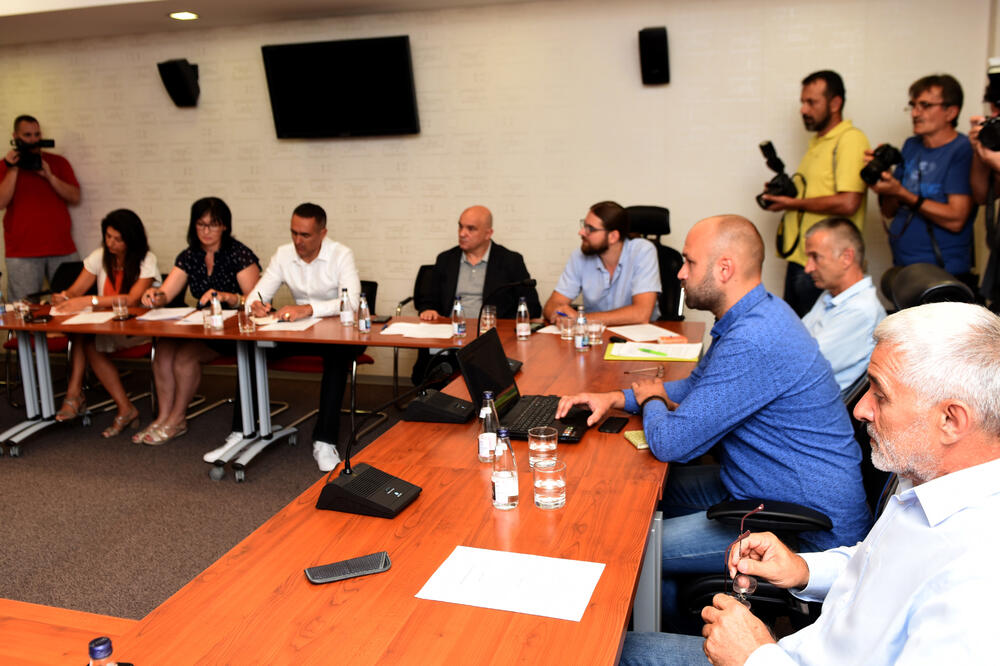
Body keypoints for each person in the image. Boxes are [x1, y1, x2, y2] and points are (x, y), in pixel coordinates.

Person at [620, 302, 1000, 665]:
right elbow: (879, 567)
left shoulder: (978, 583)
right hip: (791, 651)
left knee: (601, 651)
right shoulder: (928, 481)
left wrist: (755, 657)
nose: (860, 409)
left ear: (951, 421)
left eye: (881, 395)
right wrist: (802, 568)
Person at [556, 215, 870, 631]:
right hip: (761, 485)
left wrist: (651, 398)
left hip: (799, 527)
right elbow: (697, 386)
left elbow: (672, 443)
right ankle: (665, 613)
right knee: (629, 493)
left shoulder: (754, 339)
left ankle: (663, 641)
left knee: (632, 545)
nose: (680, 273)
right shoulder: (755, 314)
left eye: (689, 262)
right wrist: (616, 397)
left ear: (724, 269)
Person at [245, 203, 362, 472]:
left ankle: (325, 440)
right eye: (294, 233)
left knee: (337, 357)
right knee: (252, 348)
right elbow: (256, 296)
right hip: (299, 332)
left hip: (337, 334)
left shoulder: (341, 254)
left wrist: (309, 308)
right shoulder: (283, 254)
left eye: (305, 235)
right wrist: (256, 305)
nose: (298, 241)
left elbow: (352, 303)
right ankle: (243, 430)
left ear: (323, 233)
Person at [136, 197, 261, 446]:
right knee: (164, 350)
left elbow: (257, 300)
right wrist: (154, 296)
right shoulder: (190, 255)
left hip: (234, 330)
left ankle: (177, 418)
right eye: (201, 224)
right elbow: (166, 293)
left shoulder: (239, 254)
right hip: (202, 327)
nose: (206, 231)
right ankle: (162, 417)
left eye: (212, 225)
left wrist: (228, 297)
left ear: (224, 226)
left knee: (185, 357)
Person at [761, 71, 870, 317]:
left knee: (814, 337)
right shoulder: (818, 143)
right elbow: (814, 196)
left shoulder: (850, 140)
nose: (803, 109)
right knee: (796, 332)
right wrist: (784, 197)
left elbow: (849, 202)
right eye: (803, 102)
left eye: (812, 102)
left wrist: (793, 202)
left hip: (826, 265)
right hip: (802, 259)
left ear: (835, 103)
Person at [50, 209, 158, 438]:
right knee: (83, 336)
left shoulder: (146, 259)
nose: (111, 243)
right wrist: (64, 297)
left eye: (118, 239)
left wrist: (90, 300)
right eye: (108, 236)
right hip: (103, 326)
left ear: (131, 240)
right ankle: (113, 405)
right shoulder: (100, 256)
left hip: (135, 328)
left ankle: (76, 397)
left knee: (86, 340)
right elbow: (75, 291)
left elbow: (132, 300)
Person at [869, 74, 977, 290]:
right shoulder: (911, 146)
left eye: (925, 106)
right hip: (904, 267)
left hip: (943, 273)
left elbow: (956, 219)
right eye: (913, 106)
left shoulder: (963, 150)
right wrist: (883, 178)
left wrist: (902, 193)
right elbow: (890, 211)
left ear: (951, 112)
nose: (915, 113)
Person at [412, 204, 541, 383]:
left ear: (488, 233)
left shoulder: (510, 260)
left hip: (492, 342)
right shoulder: (446, 259)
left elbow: (532, 307)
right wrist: (428, 309)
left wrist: (503, 326)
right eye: (460, 226)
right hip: (451, 340)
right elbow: (428, 298)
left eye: (471, 228)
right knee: (435, 378)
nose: (462, 233)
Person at [0, 114, 81, 301]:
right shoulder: (5, 166)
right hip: (22, 252)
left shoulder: (58, 162)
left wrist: (49, 176)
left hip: (61, 248)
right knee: (24, 307)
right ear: (15, 136)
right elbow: (1, 202)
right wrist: (13, 168)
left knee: (71, 304)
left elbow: (75, 197)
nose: (33, 140)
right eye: (27, 135)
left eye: (37, 135)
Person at [801, 217, 886, 394]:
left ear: (846, 258)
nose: (808, 268)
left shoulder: (860, 311)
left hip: (815, 405)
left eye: (815, 257)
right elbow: (795, 338)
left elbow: (800, 367)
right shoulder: (831, 294)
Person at [543, 201, 661, 324]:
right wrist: (560, 314)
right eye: (584, 225)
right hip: (593, 333)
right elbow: (551, 306)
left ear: (613, 236)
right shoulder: (579, 256)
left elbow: (641, 314)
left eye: (590, 229)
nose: (581, 232)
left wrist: (581, 319)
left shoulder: (642, 251)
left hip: (640, 334)